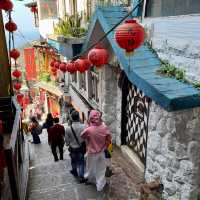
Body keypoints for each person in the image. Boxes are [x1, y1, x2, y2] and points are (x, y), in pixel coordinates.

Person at [81, 110, 111, 192]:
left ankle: (91, 180)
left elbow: (82, 136)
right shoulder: (104, 127)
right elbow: (108, 138)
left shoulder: (89, 130)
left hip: (92, 153)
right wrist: (105, 146)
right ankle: (100, 185)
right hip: (101, 152)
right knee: (101, 169)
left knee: (90, 168)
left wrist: (88, 127)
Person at [65, 110, 86, 183]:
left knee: (73, 161)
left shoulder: (68, 128)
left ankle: (74, 171)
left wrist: (69, 143)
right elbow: (85, 138)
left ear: (71, 118)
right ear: (78, 117)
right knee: (81, 162)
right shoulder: (83, 126)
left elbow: (67, 142)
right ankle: (81, 176)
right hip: (80, 148)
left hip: (72, 149)